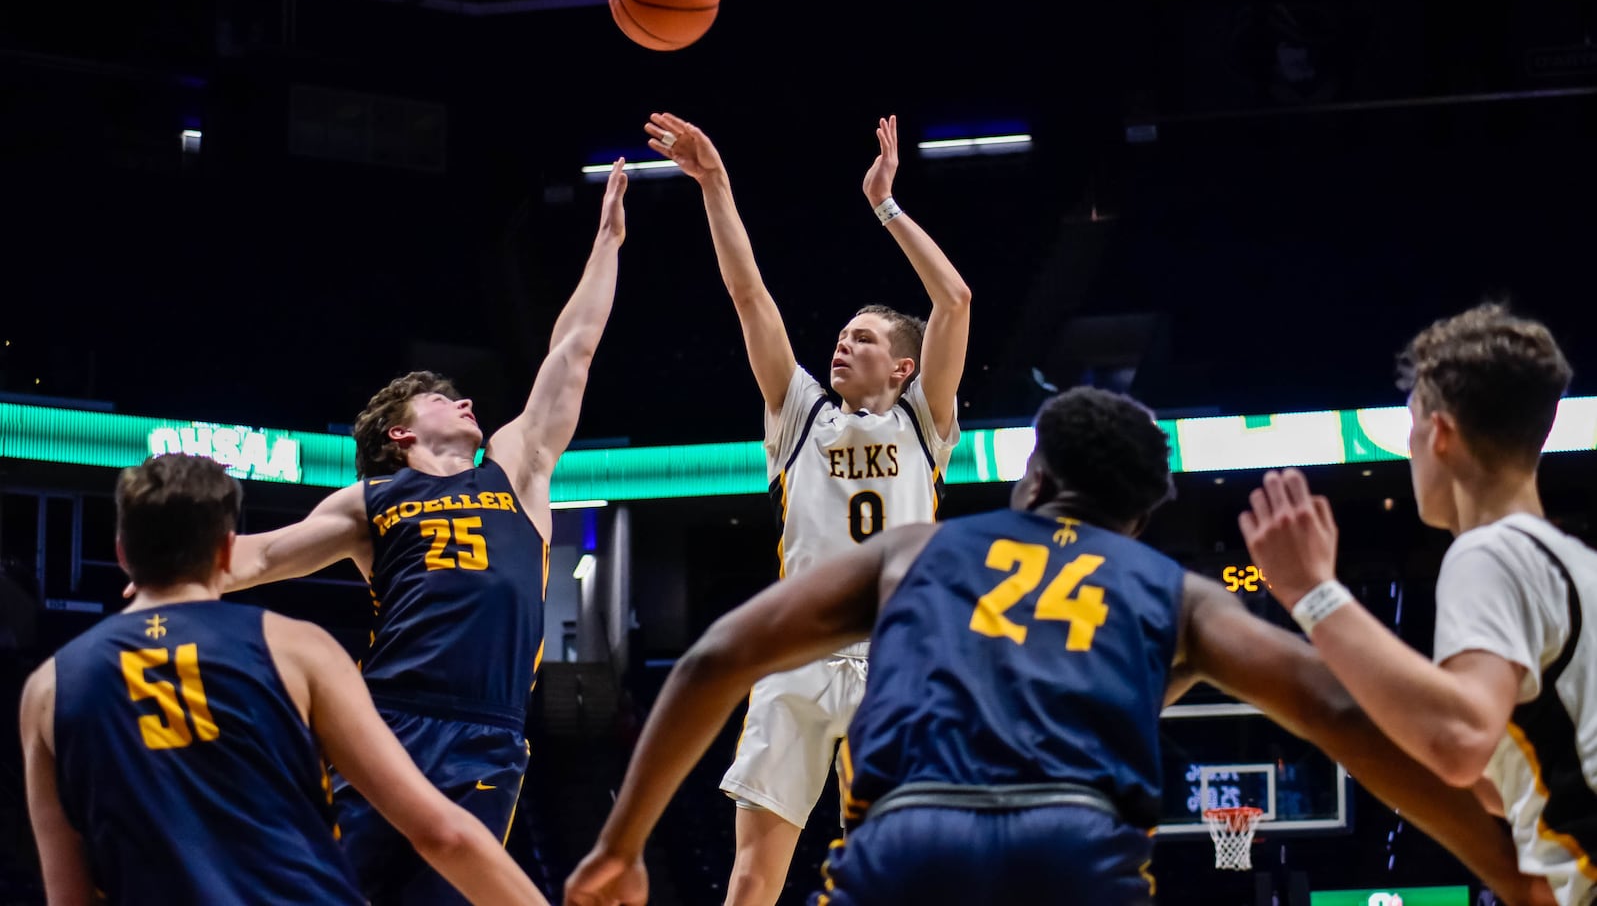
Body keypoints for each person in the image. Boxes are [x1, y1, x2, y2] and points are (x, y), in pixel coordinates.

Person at [564, 386, 1554, 906]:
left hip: (908, 838)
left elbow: (710, 662)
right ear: (1145, 511)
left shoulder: (914, 550)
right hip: (1074, 848)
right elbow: (1354, 725)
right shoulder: (1174, 590)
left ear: (1031, 473)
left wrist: (619, 845)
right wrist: (1509, 870)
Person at [122, 160, 628, 902]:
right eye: (440, 396)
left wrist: (607, 240)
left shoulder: (515, 468)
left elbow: (573, 348)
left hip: (485, 732)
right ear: (399, 432)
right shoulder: (370, 500)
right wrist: (163, 578)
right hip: (385, 720)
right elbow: (260, 556)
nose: (461, 402)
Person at [643, 111, 971, 904]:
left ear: (901, 366)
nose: (840, 344)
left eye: (860, 339)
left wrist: (886, 206)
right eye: (840, 335)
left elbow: (954, 299)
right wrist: (714, 184)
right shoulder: (799, 414)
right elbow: (747, 292)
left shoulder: (923, 421)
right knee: (754, 876)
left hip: (896, 659)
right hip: (793, 655)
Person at [20, 453, 548, 905]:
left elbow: (68, 894)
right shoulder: (296, 649)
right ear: (227, 551)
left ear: (121, 553)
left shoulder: (48, 687)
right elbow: (442, 833)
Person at [1240, 303, 1593, 906]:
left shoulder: (1489, 552)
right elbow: (1493, 784)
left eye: (1410, 429)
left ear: (1440, 434)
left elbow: (1459, 739)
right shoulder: (1576, 562)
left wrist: (1313, 594)